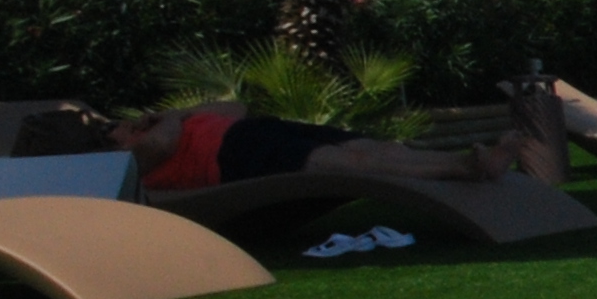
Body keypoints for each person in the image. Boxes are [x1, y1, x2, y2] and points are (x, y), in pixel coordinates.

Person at [112, 102, 550, 196]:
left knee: (378, 147)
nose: (134, 127)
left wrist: (182, 111)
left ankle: (472, 163)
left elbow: (237, 106)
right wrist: (168, 119)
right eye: (125, 129)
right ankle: (461, 169)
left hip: (261, 129)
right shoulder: (133, 160)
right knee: (356, 164)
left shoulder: (180, 120)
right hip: (235, 158)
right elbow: (164, 141)